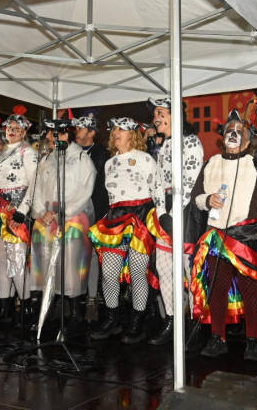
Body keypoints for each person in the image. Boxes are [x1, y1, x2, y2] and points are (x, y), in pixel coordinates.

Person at [190, 110, 257, 361]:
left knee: (250, 289)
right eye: (229, 130)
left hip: (246, 237)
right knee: (217, 289)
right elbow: (196, 197)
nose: (233, 134)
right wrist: (207, 199)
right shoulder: (211, 164)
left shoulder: (256, 165)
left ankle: (253, 340)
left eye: (239, 131)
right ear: (222, 137)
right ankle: (217, 337)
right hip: (216, 237)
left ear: (247, 140)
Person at [89, 117, 164, 344]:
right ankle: (112, 320)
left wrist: (161, 218)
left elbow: (158, 190)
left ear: (132, 134)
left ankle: (136, 323)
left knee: (137, 274)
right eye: (113, 130)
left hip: (140, 216)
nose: (115, 133)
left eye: (120, 130)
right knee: (109, 274)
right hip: (115, 218)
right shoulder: (110, 163)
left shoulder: (145, 159)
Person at [145, 97, 204, 345]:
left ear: (175, 115)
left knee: (188, 270)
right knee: (165, 268)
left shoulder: (190, 142)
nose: (155, 118)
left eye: (160, 112)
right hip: (166, 211)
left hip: (186, 211)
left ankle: (194, 325)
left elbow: (190, 181)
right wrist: (161, 212)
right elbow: (158, 182)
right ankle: (172, 321)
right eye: (155, 114)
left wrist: (174, 212)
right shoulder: (165, 145)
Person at [29, 123, 95, 330]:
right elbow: (37, 188)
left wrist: (64, 213)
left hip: (72, 216)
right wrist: (42, 212)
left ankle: (76, 312)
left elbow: (86, 189)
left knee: (71, 265)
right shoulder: (46, 159)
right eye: (48, 132)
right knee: (46, 261)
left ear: (66, 134)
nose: (49, 136)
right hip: (47, 216)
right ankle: (46, 309)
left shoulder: (82, 158)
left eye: (53, 133)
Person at [0, 106, 39, 324]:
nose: (12, 131)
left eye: (17, 128)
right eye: (9, 127)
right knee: (1, 264)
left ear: (24, 132)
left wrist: (23, 211)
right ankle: (4, 309)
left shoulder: (29, 153)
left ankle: (27, 309)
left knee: (17, 263)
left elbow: (34, 184)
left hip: (14, 212)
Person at [72, 114, 110, 322]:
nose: (76, 132)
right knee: (74, 256)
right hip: (73, 212)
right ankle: (73, 299)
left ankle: (92, 301)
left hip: (94, 211)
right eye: (76, 128)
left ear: (91, 132)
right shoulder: (71, 152)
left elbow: (103, 188)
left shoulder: (102, 154)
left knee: (93, 256)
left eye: (81, 128)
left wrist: (101, 215)